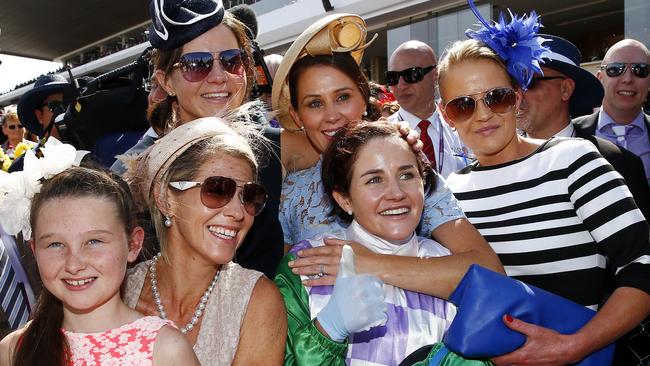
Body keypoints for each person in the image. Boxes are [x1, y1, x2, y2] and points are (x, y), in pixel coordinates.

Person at [437, 6, 650, 364]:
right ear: (447, 115)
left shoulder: (572, 159)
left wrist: (576, 345)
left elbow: (643, 262)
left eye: (496, 97)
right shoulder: (448, 193)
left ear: (517, 97)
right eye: (463, 106)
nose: (484, 114)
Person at [275, 14, 502, 307]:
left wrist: (372, 264)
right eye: (315, 103)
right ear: (297, 116)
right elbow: (287, 294)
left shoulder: (407, 173)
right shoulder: (293, 191)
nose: (332, 115)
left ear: (364, 97)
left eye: (343, 97)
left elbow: (489, 272)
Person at [112, 0, 317, 278]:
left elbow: (348, 153)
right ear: (166, 81)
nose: (219, 77)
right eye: (197, 65)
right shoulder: (137, 175)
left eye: (232, 61)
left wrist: (393, 134)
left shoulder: (273, 147)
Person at [276, 120, 493, 365]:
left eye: (406, 175)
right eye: (374, 180)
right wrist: (327, 332)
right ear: (344, 199)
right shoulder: (306, 264)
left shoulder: (449, 263)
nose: (396, 193)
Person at [124, 117, 286, 365]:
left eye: (250, 196)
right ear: (165, 199)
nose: (238, 212)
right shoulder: (120, 288)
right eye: (218, 190)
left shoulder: (257, 301)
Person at [0, 165, 198, 365]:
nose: (74, 264)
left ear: (133, 244)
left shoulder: (166, 351)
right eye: (56, 244)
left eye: (94, 241)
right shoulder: (13, 350)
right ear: (34, 251)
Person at [517, 34, 650, 219]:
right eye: (512, 83)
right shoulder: (494, 162)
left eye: (529, 82)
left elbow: (637, 242)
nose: (517, 94)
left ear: (566, 89)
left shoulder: (621, 162)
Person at [386, 40, 469, 178]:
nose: (401, 85)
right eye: (393, 78)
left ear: (435, 75)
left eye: (411, 75)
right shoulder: (381, 136)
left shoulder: (463, 128)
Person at [573, 39, 650, 186]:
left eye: (640, 70)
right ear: (600, 78)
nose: (627, 79)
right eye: (615, 69)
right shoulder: (570, 133)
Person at [16, 74, 72, 140]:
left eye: (69, 104)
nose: (64, 111)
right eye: (55, 105)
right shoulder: (33, 150)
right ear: (39, 115)